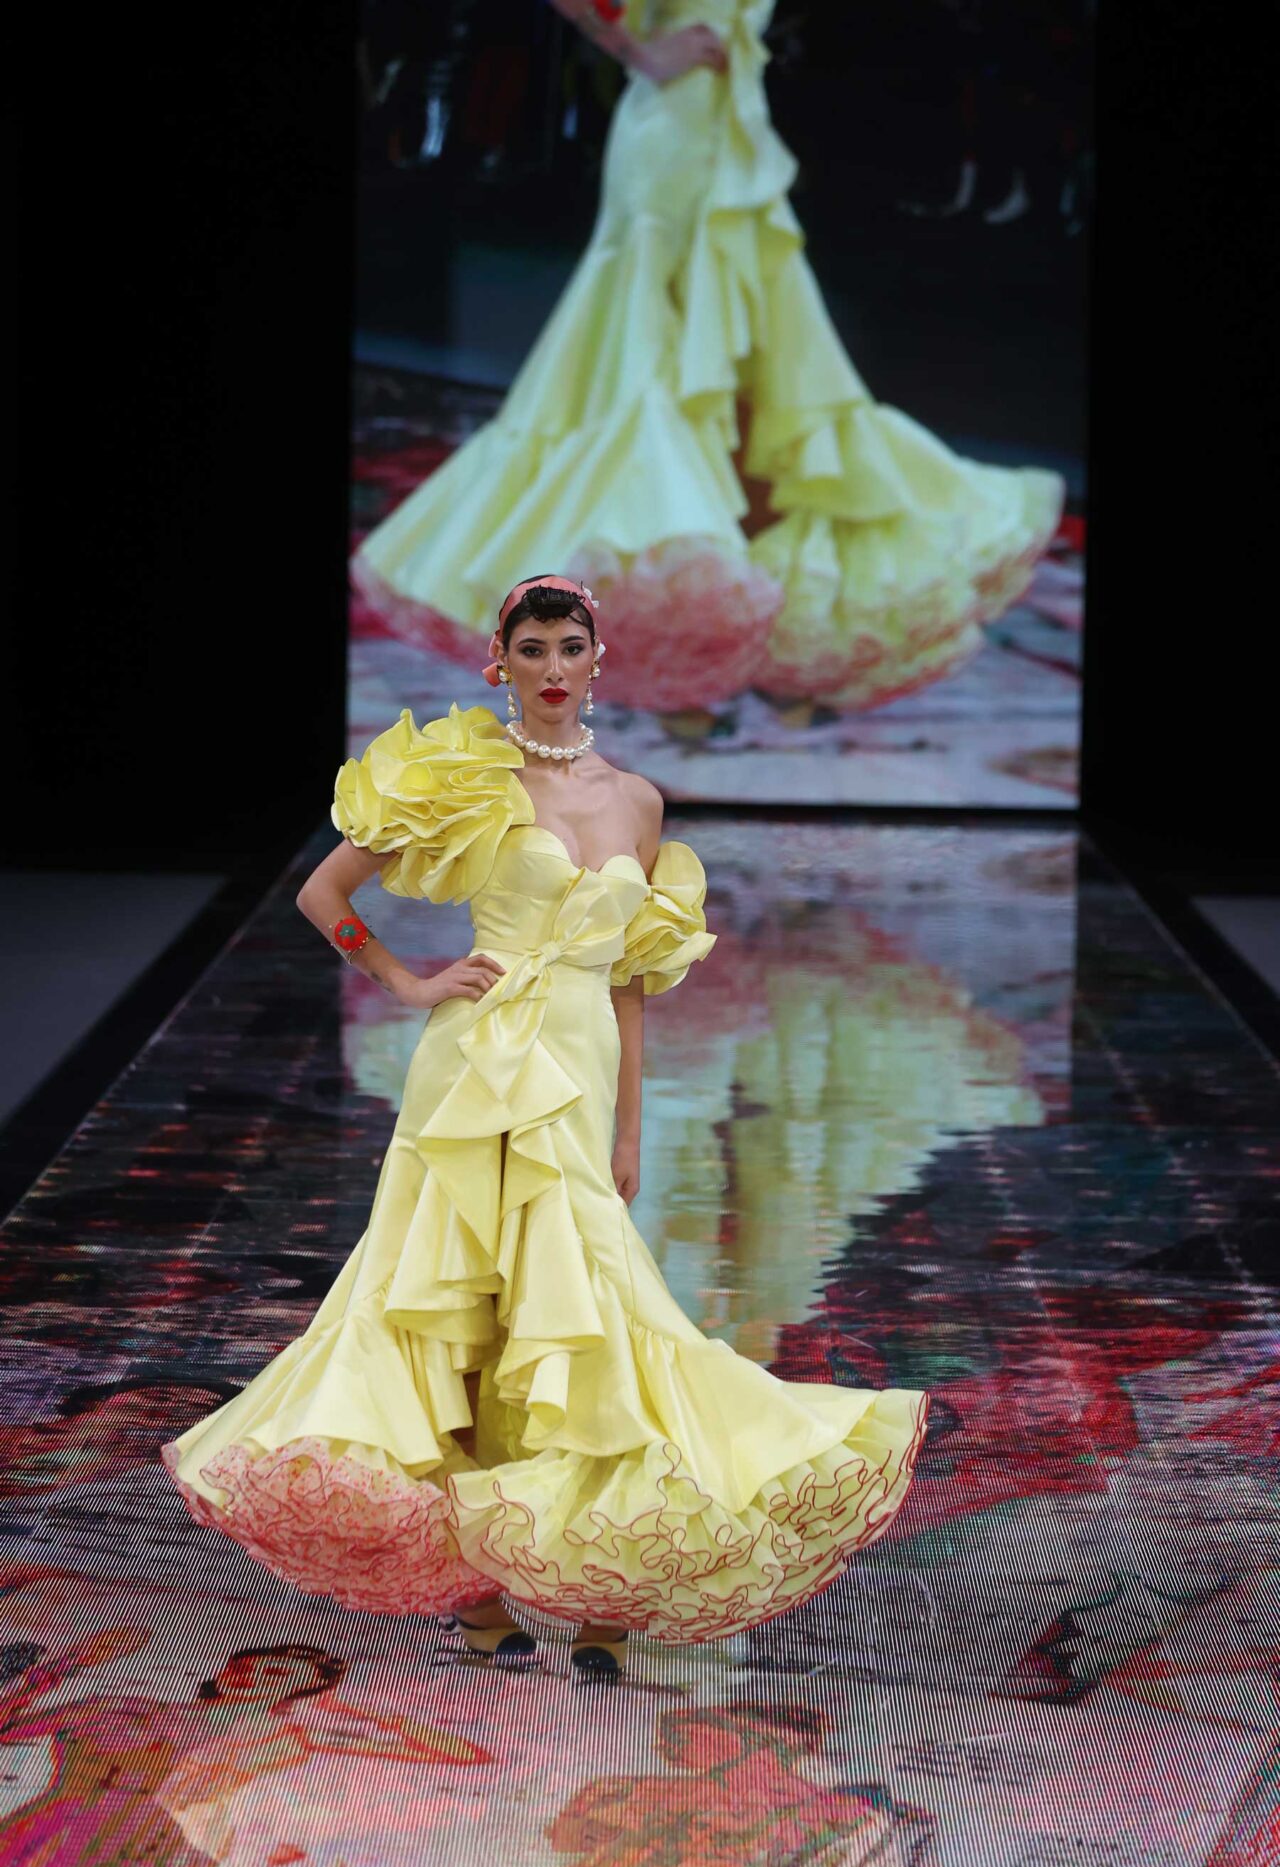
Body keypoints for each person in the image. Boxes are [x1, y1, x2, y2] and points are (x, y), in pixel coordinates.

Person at [162, 577, 929, 1675]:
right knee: (461, 1314)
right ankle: (479, 1591)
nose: (554, 667)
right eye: (533, 648)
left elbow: (631, 980)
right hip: (474, 1071)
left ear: (598, 659)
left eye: (571, 646)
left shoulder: (639, 803)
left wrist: (631, 1130)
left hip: (580, 1073)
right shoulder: (463, 778)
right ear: (500, 663)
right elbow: (323, 895)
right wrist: (405, 981)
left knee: (587, 1318)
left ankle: (598, 1575)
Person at [351, 2, 1064, 727]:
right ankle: (670, 665)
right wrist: (638, 49)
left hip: (736, 132)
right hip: (676, 136)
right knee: (666, 379)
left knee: (767, 374)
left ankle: (773, 639)